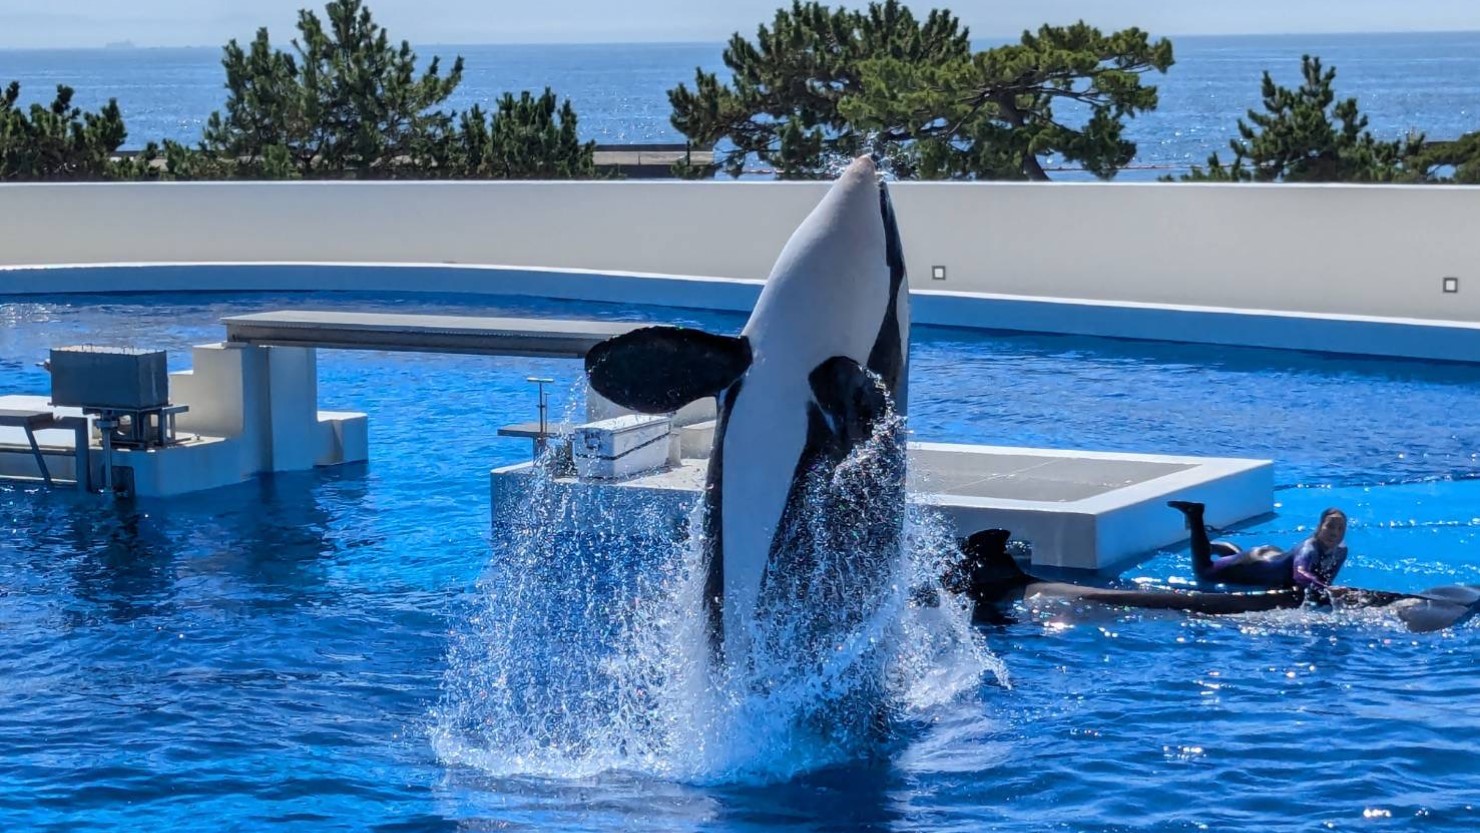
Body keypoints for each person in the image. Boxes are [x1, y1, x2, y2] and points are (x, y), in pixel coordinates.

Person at [1167, 501, 1348, 595]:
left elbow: (1326, 578)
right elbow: (1300, 575)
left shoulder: (1340, 550)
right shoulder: (1309, 548)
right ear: (1319, 527)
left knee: (1235, 558)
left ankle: (1215, 547)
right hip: (1257, 563)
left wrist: (1325, 589)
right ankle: (1194, 515)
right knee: (1204, 571)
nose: (1334, 533)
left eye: (1340, 528)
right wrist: (1327, 590)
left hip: (1273, 557)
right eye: (1330, 526)